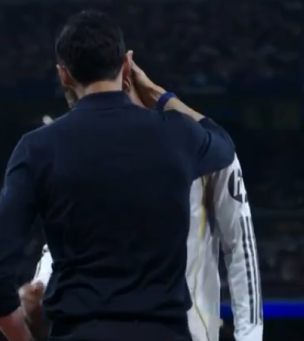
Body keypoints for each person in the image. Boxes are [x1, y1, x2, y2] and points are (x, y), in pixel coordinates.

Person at [0, 10, 236, 341]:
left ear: (64, 74)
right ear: (126, 64)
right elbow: (223, 144)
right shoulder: (178, 133)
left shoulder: (37, 148)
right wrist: (158, 94)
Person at [19, 76, 263, 341]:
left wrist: (250, 337)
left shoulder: (205, 153)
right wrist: (42, 281)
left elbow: (240, 248)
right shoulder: (96, 157)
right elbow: (65, 239)